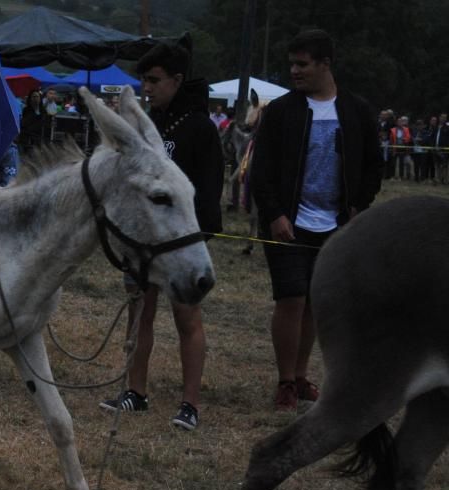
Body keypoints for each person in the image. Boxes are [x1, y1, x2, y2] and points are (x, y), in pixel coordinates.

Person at [249, 29, 382, 411]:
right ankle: (285, 381)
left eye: (302, 64)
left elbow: (374, 166)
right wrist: (275, 214)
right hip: (289, 223)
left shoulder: (356, 111)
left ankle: (303, 374)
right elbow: (262, 171)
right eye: (292, 63)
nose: (294, 71)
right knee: (290, 298)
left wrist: (358, 206)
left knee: (314, 303)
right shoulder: (281, 112)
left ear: (325, 65)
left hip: (337, 224)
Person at [97, 39, 223, 431]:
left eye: (154, 80)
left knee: (187, 320)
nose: (147, 88)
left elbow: (208, 189)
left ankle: (190, 403)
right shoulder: (144, 127)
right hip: (143, 244)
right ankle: (136, 391)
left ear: (177, 79)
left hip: (180, 244)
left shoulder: (199, 127)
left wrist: (193, 240)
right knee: (139, 317)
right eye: (143, 80)